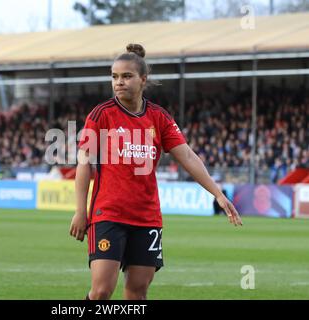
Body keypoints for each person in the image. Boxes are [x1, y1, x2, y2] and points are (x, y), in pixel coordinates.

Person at [69, 44, 242, 300]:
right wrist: (80, 211)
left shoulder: (159, 117)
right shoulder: (101, 115)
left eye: (127, 76)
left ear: (143, 79)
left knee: (137, 292)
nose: (119, 82)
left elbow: (187, 156)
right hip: (108, 215)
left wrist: (217, 193)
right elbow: (84, 164)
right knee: (102, 290)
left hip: (147, 217)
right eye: (114, 76)